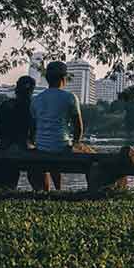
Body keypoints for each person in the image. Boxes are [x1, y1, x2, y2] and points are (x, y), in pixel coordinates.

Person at [30, 61, 92, 190]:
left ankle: (55, 190)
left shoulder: (36, 99)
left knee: (51, 150)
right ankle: (60, 189)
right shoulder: (70, 97)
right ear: (64, 78)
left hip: (41, 148)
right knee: (90, 153)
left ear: (47, 78)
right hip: (62, 147)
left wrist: (36, 142)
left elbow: (33, 128)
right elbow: (78, 127)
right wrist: (76, 143)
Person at [0, 75, 47, 190]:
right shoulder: (33, 107)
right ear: (32, 91)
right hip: (23, 148)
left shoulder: (5, 105)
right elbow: (33, 133)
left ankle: (7, 187)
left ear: (16, 89)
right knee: (38, 164)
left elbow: (1, 129)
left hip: (3, 147)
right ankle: (42, 191)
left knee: (10, 165)